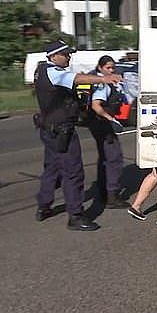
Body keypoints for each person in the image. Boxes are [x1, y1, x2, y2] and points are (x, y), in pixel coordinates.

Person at [34, 40, 121, 231]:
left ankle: (44, 205)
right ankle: (75, 215)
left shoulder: (40, 70)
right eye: (65, 54)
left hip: (48, 128)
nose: (68, 57)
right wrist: (103, 79)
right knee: (73, 172)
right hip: (62, 130)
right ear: (53, 56)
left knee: (52, 169)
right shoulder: (54, 72)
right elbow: (77, 79)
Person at [88, 55, 130, 209]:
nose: (111, 70)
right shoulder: (102, 85)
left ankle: (103, 192)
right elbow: (96, 105)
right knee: (114, 158)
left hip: (99, 124)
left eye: (113, 67)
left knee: (105, 158)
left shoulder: (105, 81)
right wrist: (111, 120)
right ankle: (112, 196)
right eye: (108, 67)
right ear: (100, 68)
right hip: (103, 125)